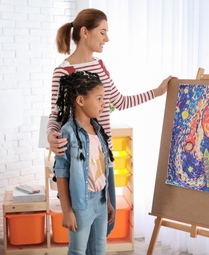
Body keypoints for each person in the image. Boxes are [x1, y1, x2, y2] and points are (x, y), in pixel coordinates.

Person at [47, 8, 173, 235]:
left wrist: (157, 92)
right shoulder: (62, 71)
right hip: (78, 160)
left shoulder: (100, 67)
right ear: (85, 32)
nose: (107, 38)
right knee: (81, 229)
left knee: (105, 225)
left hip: (104, 156)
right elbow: (56, 114)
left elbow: (121, 102)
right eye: (103, 32)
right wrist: (50, 135)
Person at [54, 70, 115, 255]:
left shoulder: (98, 129)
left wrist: (109, 202)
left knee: (99, 254)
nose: (104, 104)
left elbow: (101, 171)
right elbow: (61, 174)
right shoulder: (68, 132)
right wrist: (66, 211)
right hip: (81, 205)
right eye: (99, 99)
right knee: (77, 254)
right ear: (80, 101)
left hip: (101, 202)